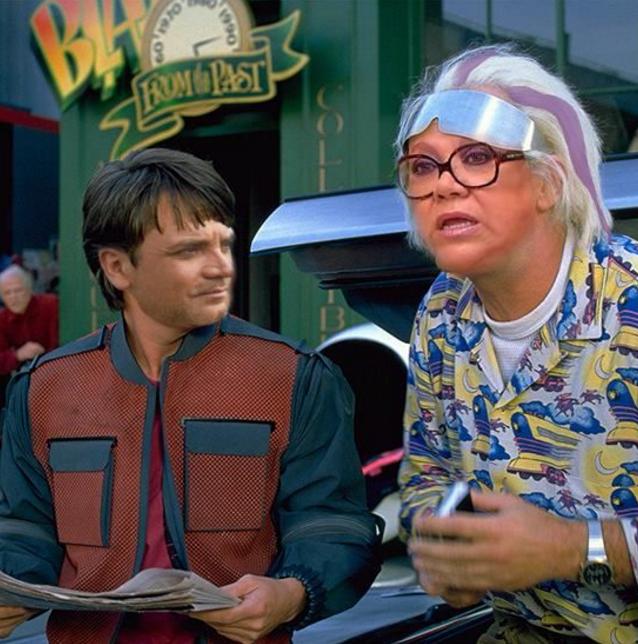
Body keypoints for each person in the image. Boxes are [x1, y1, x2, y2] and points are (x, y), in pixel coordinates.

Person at [0, 148, 381, 643]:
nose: (220, 268)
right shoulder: (44, 389)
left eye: (223, 244)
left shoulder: (295, 378)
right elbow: (23, 527)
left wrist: (291, 592)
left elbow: (332, 522)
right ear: (117, 267)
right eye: (188, 251)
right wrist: (13, 589)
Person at [396, 44, 638, 642]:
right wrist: (441, 544)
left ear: (548, 182)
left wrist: (573, 548)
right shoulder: (440, 315)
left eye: (477, 158)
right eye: (423, 166)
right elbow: (428, 472)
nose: (443, 186)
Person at [0, 264, 59, 406]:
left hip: (56, 375)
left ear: (29, 289)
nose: (13, 297)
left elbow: (61, 344)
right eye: (7, 293)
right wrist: (17, 355)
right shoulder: (2, 319)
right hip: (21, 386)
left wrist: (45, 357)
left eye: (18, 290)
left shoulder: (50, 305)